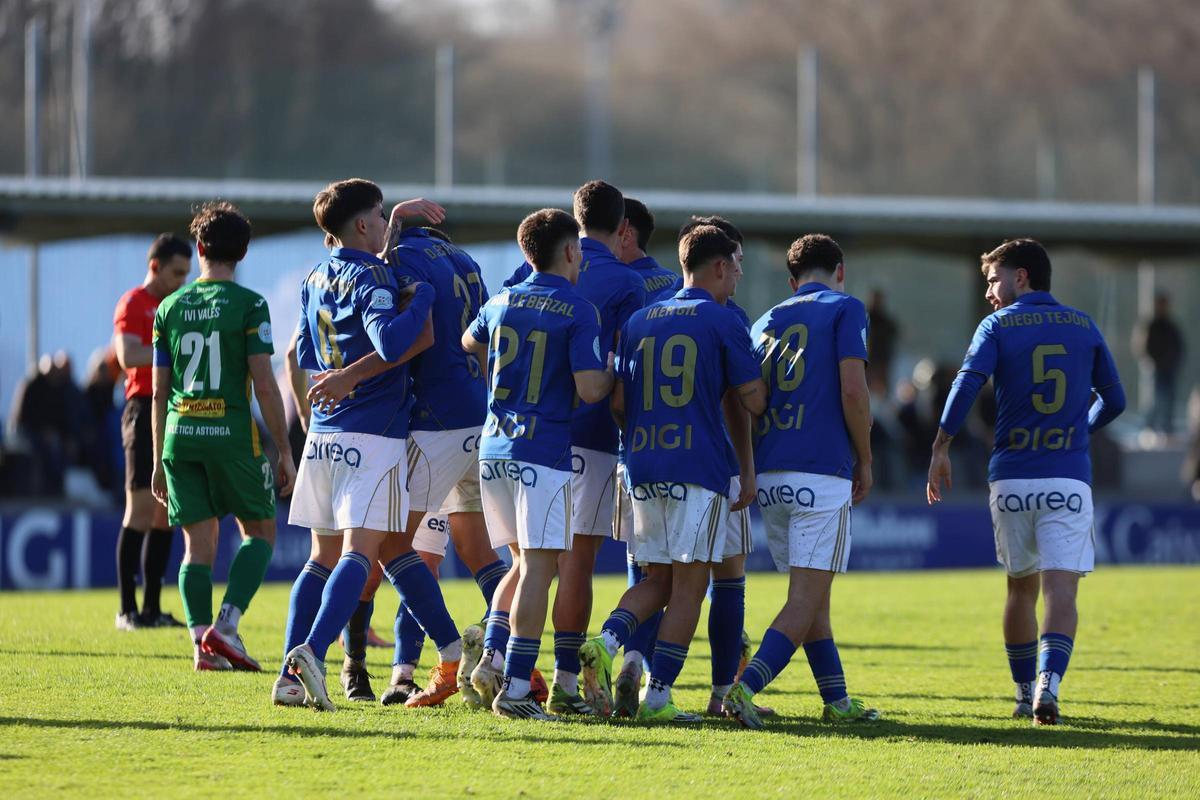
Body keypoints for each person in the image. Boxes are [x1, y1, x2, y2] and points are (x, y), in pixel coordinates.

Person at [303, 219, 508, 706]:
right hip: (479, 416)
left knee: (383, 545)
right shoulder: (467, 261)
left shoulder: (398, 261)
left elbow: (403, 338)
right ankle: (513, 664)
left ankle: (391, 663)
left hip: (431, 421)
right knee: (481, 555)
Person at [278, 180, 464, 712]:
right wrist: (423, 296)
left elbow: (299, 353)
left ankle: (448, 650)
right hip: (373, 433)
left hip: (326, 432)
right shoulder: (376, 276)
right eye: (380, 216)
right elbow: (394, 341)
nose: (385, 225)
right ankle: (311, 653)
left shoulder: (315, 276)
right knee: (363, 552)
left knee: (328, 557)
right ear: (362, 224)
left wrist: (325, 395)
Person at [927, 238, 1125, 725]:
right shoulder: (1083, 325)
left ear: (1021, 277)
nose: (990, 292)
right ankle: (1047, 686)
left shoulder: (997, 325)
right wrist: (1081, 426)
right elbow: (1114, 400)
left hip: (1013, 478)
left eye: (994, 280)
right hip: (1068, 476)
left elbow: (967, 383)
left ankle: (1019, 693)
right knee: (1062, 592)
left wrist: (941, 446)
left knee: (1020, 591)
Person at [579, 225, 767, 723]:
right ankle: (658, 697)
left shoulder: (640, 319)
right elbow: (752, 399)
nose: (740, 275)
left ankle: (605, 642)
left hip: (641, 465)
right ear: (720, 266)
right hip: (698, 467)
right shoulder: (723, 319)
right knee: (690, 587)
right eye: (738, 264)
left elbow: (619, 401)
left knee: (657, 581)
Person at [722, 233, 880, 728]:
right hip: (821, 471)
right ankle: (742, 691)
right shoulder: (846, 309)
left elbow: (751, 401)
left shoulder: (766, 319)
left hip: (772, 473)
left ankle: (837, 701)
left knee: (814, 600)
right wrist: (866, 458)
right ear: (841, 270)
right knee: (804, 599)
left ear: (792, 282)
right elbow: (854, 391)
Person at [500, 181, 645, 714]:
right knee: (574, 563)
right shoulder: (629, 282)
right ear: (623, 227)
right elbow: (619, 369)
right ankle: (562, 681)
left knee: (526, 562)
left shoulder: (526, 274)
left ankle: (495, 661)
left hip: (511, 439)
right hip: (586, 434)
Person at [463, 208, 613, 719]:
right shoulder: (578, 308)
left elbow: (469, 342)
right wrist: (614, 371)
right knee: (540, 570)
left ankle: (492, 657)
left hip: (494, 447)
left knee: (521, 564)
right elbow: (592, 388)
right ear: (571, 251)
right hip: (542, 452)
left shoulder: (501, 299)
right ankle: (519, 690)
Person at [150, 202, 296, 671]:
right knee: (260, 531)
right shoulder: (250, 305)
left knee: (197, 544)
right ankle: (226, 626)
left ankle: (200, 644)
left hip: (179, 434)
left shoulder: (168, 307)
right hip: (230, 434)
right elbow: (266, 383)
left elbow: (157, 393)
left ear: (198, 249)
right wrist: (285, 449)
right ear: (244, 252)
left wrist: (157, 458)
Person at [112, 233, 192, 630]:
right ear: (155, 266)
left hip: (174, 410)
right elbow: (127, 356)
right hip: (144, 409)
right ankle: (126, 609)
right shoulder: (134, 303)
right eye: (176, 273)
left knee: (165, 514)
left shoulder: (176, 306)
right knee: (140, 510)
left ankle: (152, 610)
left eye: (186, 274)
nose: (181, 281)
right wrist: (171, 352)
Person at [1133, 292, 1185, 435]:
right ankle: (1148, 427)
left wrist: (1174, 362)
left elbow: (1179, 346)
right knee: (1154, 399)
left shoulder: (1170, 326)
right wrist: (1153, 362)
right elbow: (1143, 347)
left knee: (1169, 399)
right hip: (1156, 369)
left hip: (1169, 369)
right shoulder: (1151, 325)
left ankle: (1167, 428)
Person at [866, 288, 900, 393]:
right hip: (868, 361)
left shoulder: (886, 322)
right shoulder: (864, 318)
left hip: (881, 360)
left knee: (880, 390)